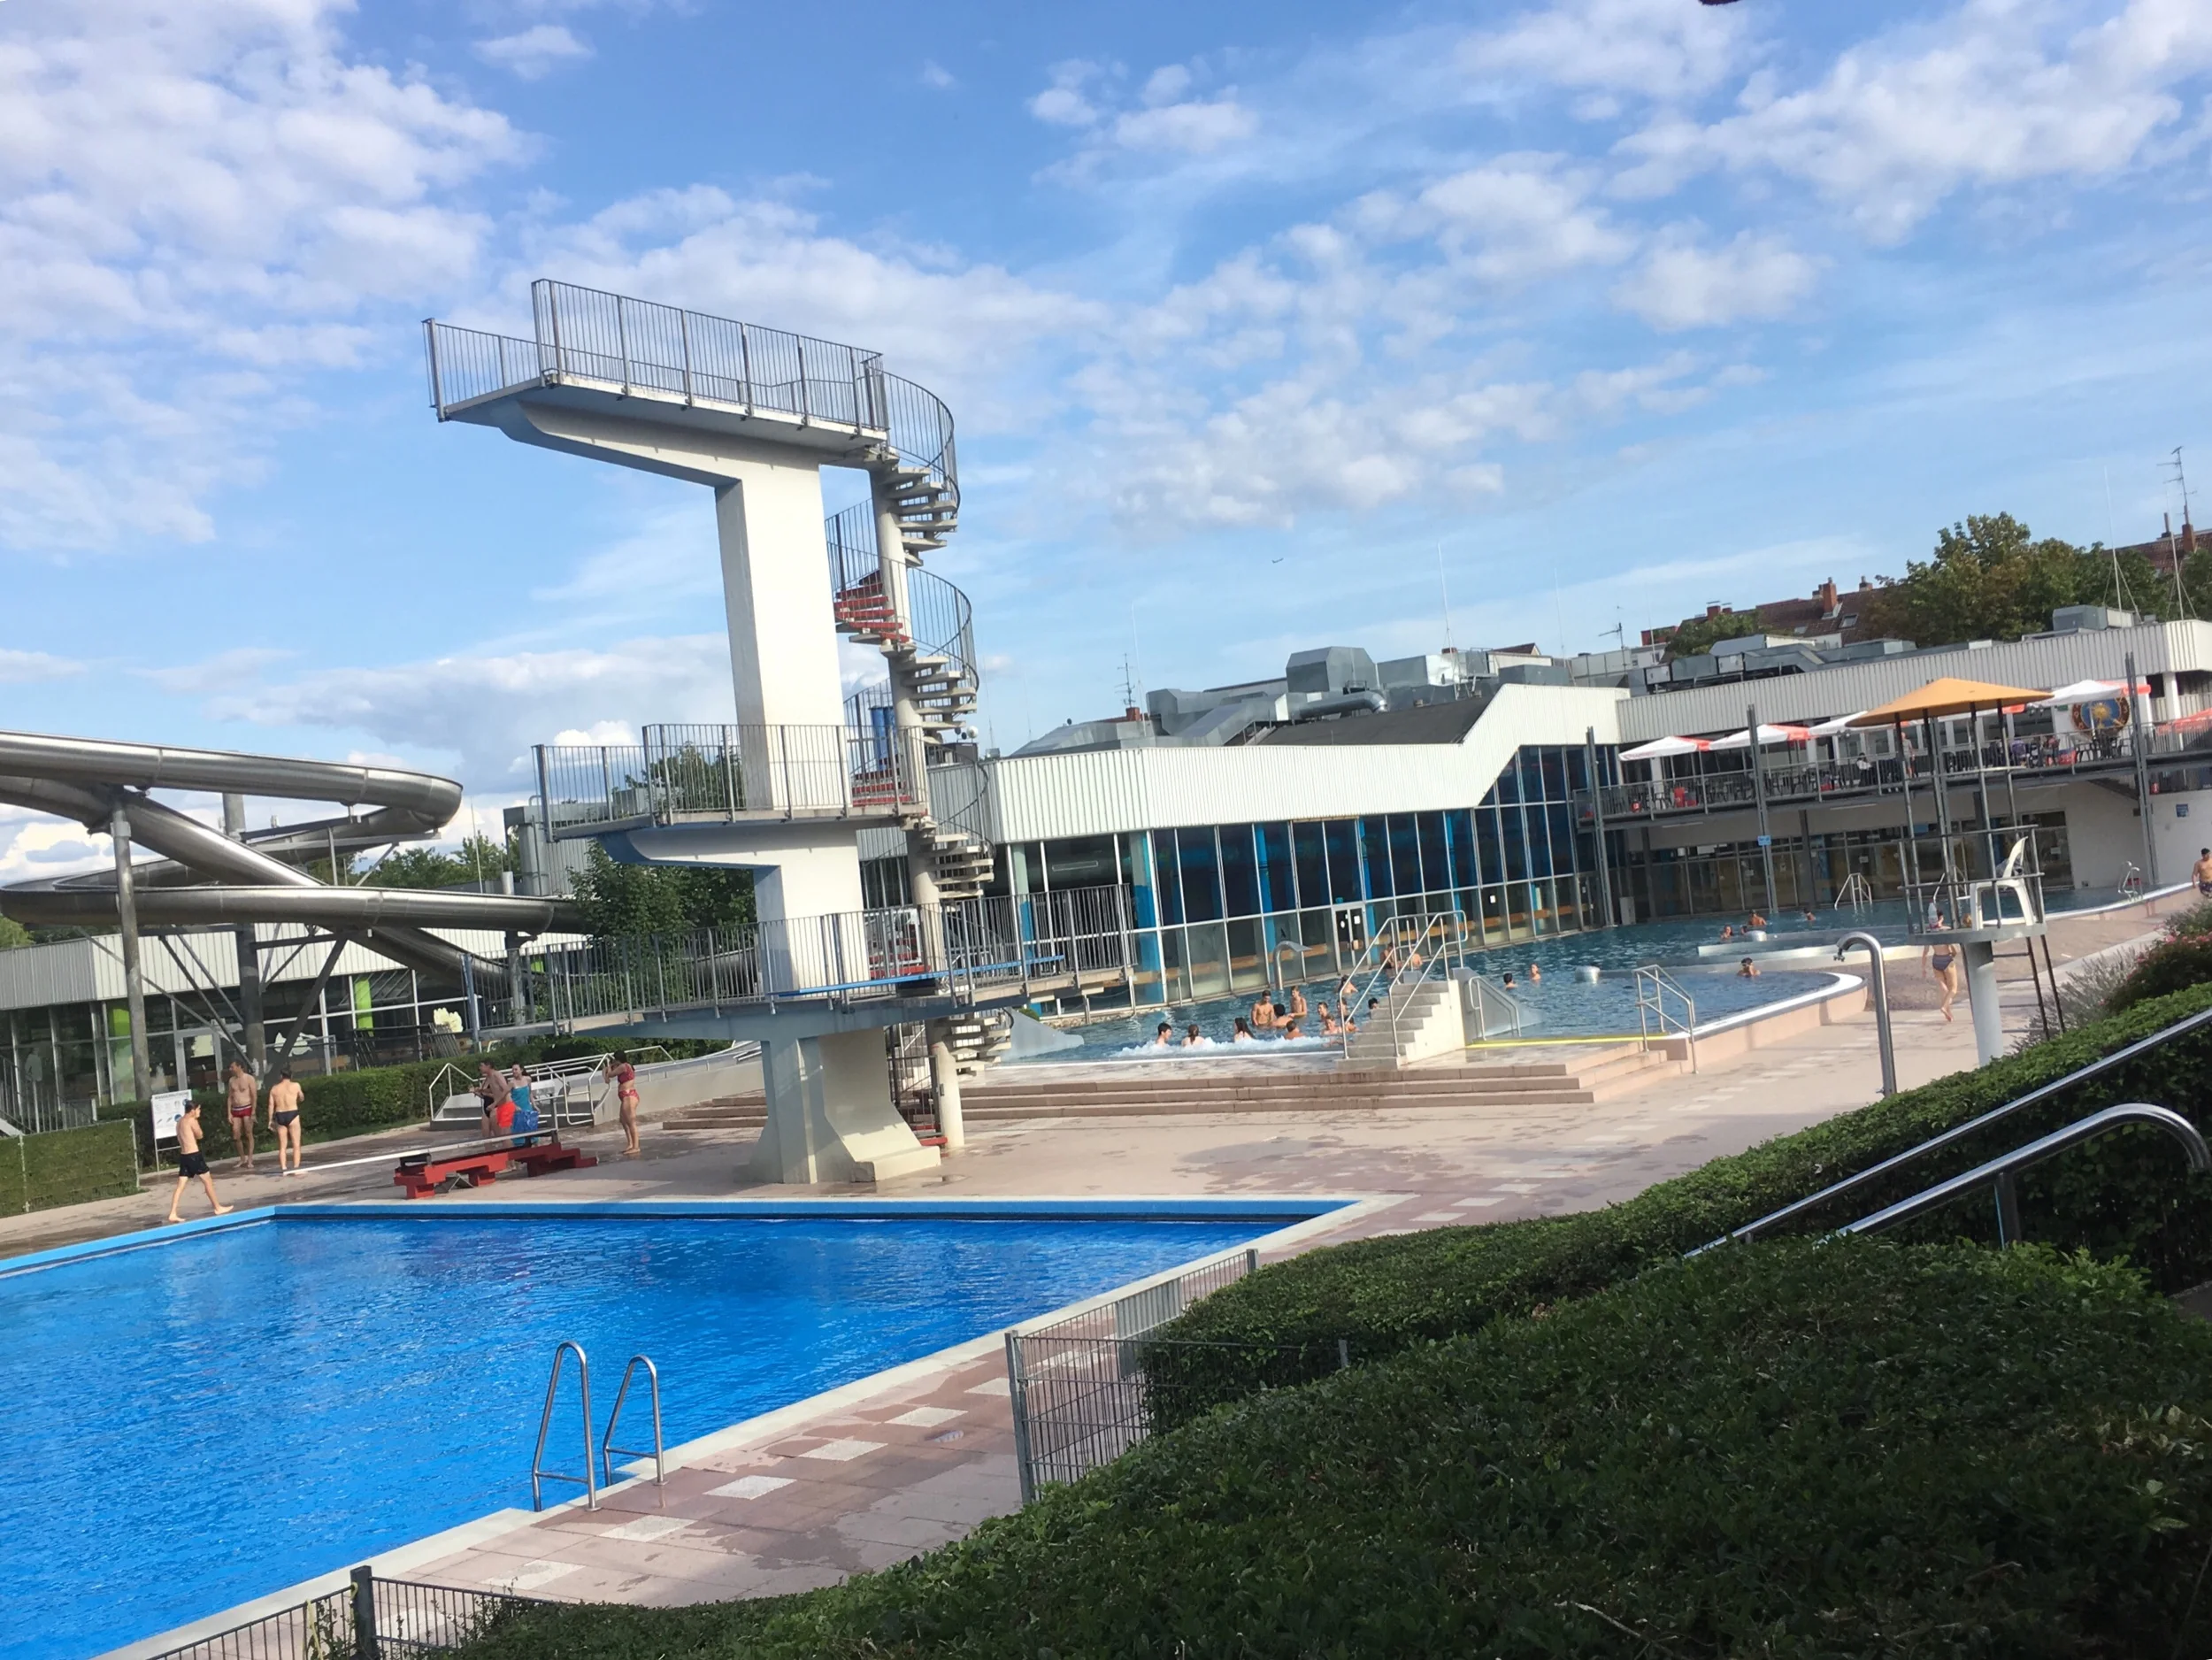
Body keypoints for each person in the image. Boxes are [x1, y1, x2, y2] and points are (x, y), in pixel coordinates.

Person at [165, 1100, 233, 1224]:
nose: (199, 1112)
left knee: (180, 1186)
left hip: (184, 1155)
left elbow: (181, 1137)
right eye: (198, 1110)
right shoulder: (191, 1121)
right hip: (194, 1155)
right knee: (208, 1181)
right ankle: (217, 1207)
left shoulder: (179, 1122)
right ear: (192, 1111)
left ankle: (173, 1213)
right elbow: (200, 1135)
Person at [265, 1067, 304, 1176]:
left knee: (282, 1145)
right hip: (292, 1113)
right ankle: (296, 1168)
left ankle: (284, 1169)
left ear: (281, 1076)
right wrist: (298, 1097)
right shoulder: (296, 1085)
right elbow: (301, 1097)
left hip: (280, 1114)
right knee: (296, 1144)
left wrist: (270, 1121)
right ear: (291, 1076)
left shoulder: (274, 1089)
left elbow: (271, 1105)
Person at [223, 1060, 258, 1172]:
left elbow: (254, 1096)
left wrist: (253, 1111)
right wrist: (229, 1113)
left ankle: (250, 1159)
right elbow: (230, 1097)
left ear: (239, 1067)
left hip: (247, 1106)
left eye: (232, 1067)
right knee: (236, 1134)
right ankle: (242, 1157)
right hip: (236, 1109)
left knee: (248, 1132)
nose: (231, 1069)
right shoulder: (231, 1081)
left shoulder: (249, 1079)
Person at [606, 1054, 641, 1157]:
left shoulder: (624, 1066)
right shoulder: (620, 1067)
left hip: (629, 1095)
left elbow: (611, 1074)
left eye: (615, 1060)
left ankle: (636, 1146)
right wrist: (606, 1074)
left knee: (631, 1122)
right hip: (625, 1097)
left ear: (619, 1059)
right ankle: (630, 1144)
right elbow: (606, 1073)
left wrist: (608, 1067)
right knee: (623, 1121)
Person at [1924, 937, 1960, 1024]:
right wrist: (1953, 955)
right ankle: (1944, 1007)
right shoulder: (1944, 935)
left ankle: (1948, 1013)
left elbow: (1925, 953)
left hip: (1936, 960)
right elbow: (1954, 950)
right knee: (1953, 989)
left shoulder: (1930, 937)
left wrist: (1923, 968)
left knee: (1944, 990)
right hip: (1946, 959)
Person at [476, 1062, 514, 1139]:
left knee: (506, 1136)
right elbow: (495, 1089)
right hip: (500, 1107)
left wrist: (494, 1103)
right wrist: (481, 1090)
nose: (480, 1068)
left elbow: (506, 1089)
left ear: (488, 1066)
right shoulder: (489, 1077)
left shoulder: (496, 1074)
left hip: (506, 1106)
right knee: (501, 1136)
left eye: (481, 1066)